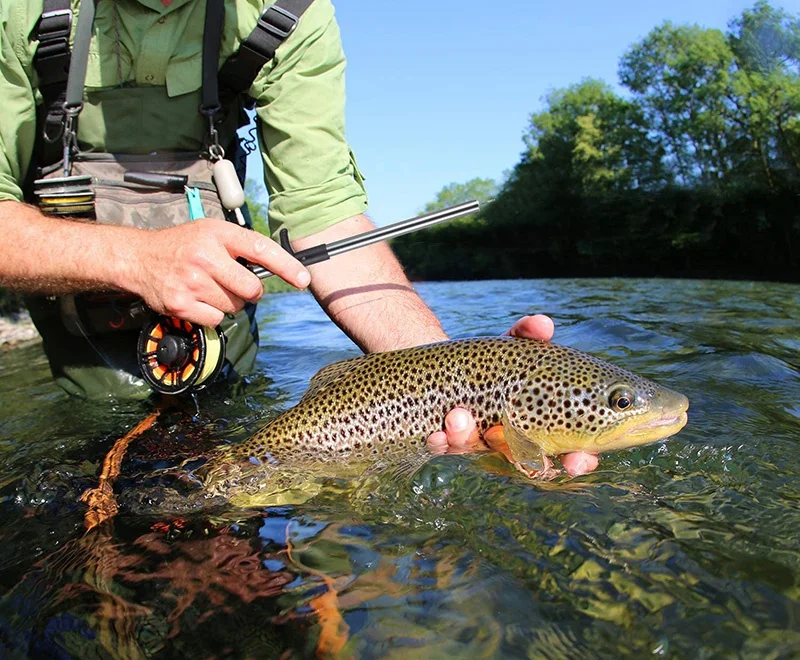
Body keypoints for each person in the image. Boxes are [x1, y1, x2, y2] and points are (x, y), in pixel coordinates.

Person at [0, 0, 597, 476]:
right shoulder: (20, 10)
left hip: (222, 376)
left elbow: (326, 215)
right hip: (77, 388)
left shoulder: (290, 11)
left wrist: (462, 383)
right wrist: (133, 258)